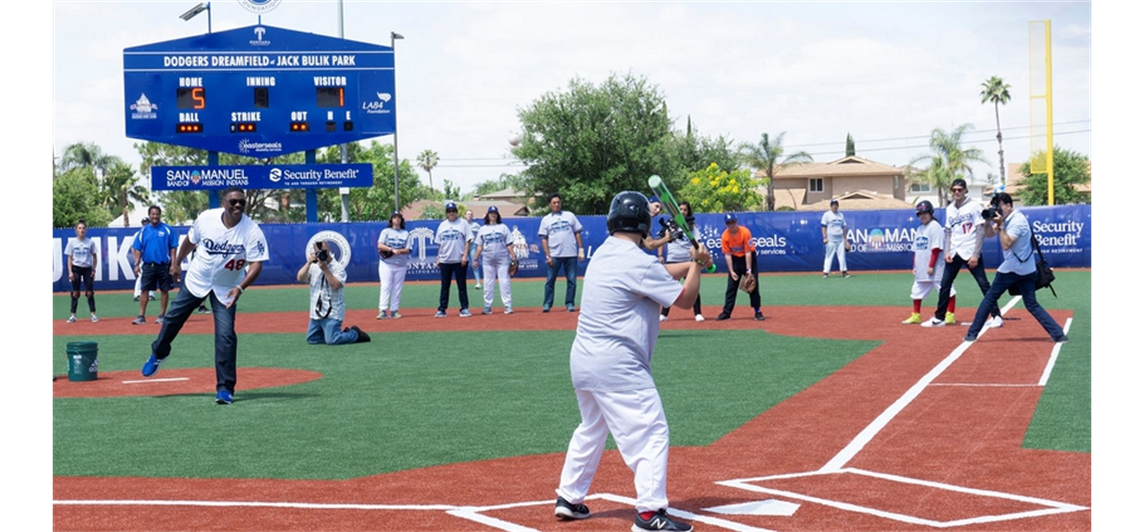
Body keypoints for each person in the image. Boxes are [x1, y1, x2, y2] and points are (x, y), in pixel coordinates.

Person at [553, 191, 709, 532]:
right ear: (643, 223)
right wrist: (697, 264)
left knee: (592, 428)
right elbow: (685, 300)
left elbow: (657, 273)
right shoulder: (638, 261)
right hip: (618, 364)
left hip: (584, 360)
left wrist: (696, 264)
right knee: (652, 431)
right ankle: (650, 513)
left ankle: (569, 497)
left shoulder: (605, 253)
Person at [140, 187, 269, 405]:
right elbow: (190, 241)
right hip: (197, 280)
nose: (237, 206)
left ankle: (225, 389)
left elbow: (257, 264)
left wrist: (241, 288)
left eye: (241, 202)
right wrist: (177, 262)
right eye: (233, 202)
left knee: (226, 336)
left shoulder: (252, 230)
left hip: (226, 288)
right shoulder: (206, 219)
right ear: (223, 202)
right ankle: (158, 353)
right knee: (171, 320)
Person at [964, 193, 1068, 344]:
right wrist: (987, 221)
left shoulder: (1017, 221)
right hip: (1027, 269)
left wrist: (1000, 225)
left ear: (1008, 205)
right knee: (1031, 304)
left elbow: (1006, 244)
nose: (997, 210)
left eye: (999, 207)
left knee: (989, 298)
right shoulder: (1007, 218)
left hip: (1013, 269)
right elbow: (989, 234)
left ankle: (971, 334)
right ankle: (1058, 334)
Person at [922, 178, 1002, 328]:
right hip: (955, 252)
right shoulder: (950, 209)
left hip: (970, 250)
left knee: (983, 283)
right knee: (945, 284)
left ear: (966, 190)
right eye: (954, 190)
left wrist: (976, 254)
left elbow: (980, 231)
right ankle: (940, 317)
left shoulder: (974, 206)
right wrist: (947, 251)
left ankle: (996, 316)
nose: (957, 192)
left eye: (960, 189)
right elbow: (948, 231)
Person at [298, 240, 370, 345]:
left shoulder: (338, 267)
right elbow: (300, 277)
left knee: (332, 340)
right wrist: (308, 262)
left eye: (324, 251)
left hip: (333, 313)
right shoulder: (313, 266)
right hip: (316, 313)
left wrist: (325, 269)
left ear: (329, 250)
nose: (322, 254)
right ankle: (334, 334)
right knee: (312, 339)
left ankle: (355, 334)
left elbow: (336, 286)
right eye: (319, 252)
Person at [902, 201, 957, 324]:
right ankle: (916, 315)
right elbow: (916, 249)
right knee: (916, 292)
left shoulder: (935, 227)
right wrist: (915, 265)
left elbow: (936, 248)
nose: (922, 216)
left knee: (946, 290)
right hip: (922, 267)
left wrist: (931, 265)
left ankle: (950, 314)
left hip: (936, 267)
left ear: (930, 213)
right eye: (920, 214)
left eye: (925, 213)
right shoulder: (920, 228)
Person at [132, 205, 178, 325]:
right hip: (148, 265)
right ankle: (141, 316)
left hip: (163, 265)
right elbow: (138, 249)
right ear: (149, 215)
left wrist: (174, 264)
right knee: (144, 290)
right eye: (153, 214)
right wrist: (136, 264)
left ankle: (162, 315)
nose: (155, 216)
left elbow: (173, 248)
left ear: (160, 215)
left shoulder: (167, 230)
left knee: (164, 290)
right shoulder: (143, 231)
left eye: (157, 214)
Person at [539, 193, 585, 312]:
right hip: (555, 254)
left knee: (572, 280)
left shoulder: (569, 216)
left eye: (558, 202)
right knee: (550, 281)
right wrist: (547, 255)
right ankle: (547, 304)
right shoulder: (546, 219)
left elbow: (577, 233)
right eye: (554, 203)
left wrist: (581, 249)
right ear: (549, 205)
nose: (556, 205)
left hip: (570, 254)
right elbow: (544, 239)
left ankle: (569, 303)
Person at [659, 201, 704, 322]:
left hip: (688, 260)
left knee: (692, 287)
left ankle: (698, 313)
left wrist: (699, 256)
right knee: (669, 287)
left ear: (688, 211)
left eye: (685, 209)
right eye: (680, 209)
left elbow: (697, 242)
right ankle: (664, 313)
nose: (682, 212)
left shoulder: (692, 226)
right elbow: (662, 239)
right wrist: (660, 255)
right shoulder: (670, 224)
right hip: (673, 259)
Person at [715, 213, 764, 321]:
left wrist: (749, 271)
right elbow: (727, 255)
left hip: (749, 258)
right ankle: (726, 312)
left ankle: (757, 311)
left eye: (733, 222)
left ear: (736, 221)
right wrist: (731, 271)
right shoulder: (725, 236)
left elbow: (748, 252)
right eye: (728, 223)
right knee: (731, 288)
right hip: (735, 260)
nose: (731, 224)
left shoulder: (745, 232)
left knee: (752, 285)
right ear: (726, 224)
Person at [473, 206, 516, 314]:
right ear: (487, 215)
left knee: (504, 282)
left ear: (498, 215)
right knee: (488, 282)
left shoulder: (503, 227)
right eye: (491, 213)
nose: (493, 215)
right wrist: (475, 259)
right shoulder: (483, 229)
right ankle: (487, 306)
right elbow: (479, 246)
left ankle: (507, 305)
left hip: (503, 259)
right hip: (488, 259)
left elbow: (509, 244)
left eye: (494, 213)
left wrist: (513, 256)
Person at [435, 201, 473, 318]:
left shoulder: (463, 223)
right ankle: (442, 309)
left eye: (453, 211)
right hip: (445, 260)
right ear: (447, 213)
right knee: (445, 286)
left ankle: (464, 308)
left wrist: (465, 255)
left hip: (459, 259)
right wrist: (438, 257)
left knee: (461, 285)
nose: (451, 213)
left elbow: (468, 240)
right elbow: (440, 243)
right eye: (449, 211)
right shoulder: (442, 225)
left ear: (456, 212)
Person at [376, 211, 413, 320]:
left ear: (401, 220)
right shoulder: (386, 231)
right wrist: (391, 249)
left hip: (401, 264)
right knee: (386, 286)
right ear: (391, 219)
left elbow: (408, 249)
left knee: (397, 288)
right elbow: (380, 245)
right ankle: (382, 310)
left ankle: (394, 310)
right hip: (386, 263)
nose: (397, 219)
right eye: (395, 217)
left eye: (399, 217)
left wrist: (399, 251)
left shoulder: (405, 233)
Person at [65, 218, 99, 323]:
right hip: (76, 268)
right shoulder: (72, 243)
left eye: (83, 228)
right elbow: (69, 258)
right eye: (79, 228)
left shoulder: (90, 242)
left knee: (89, 293)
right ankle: (73, 315)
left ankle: (93, 314)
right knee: (75, 293)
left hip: (87, 269)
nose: (81, 230)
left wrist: (94, 269)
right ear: (76, 230)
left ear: (86, 230)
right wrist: (70, 272)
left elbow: (94, 256)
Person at [821, 198, 850, 278]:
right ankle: (825, 272)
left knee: (842, 256)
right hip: (830, 239)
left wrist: (846, 240)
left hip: (840, 239)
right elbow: (823, 227)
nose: (835, 206)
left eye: (836, 205)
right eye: (833, 205)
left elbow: (843, 227)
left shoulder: (840, 215)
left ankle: (844, 272)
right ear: (831, 206)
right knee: (828, 256)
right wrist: (824, 237)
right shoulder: (827, 215)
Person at [132, 217, 156, 303]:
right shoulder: (138, 233)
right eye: (144, 222)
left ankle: (151, 294)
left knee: (152, 276)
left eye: (146, 222)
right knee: (141, 276)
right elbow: (133, 248)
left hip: (151, 258)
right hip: (142, 259)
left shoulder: (152, 232)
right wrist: (136, 260)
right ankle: (137, 294)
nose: (145, 224)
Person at [465, 210, 482, 289]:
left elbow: (481, 233)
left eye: (471, 214)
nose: (469, 215)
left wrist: (476, 239)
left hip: (472, 246)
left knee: (474, 263)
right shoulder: (462, 224)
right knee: (460, 264)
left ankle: (478, 282)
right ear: (465, 215)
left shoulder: (475, 225)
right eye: (468, 214)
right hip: (463, 246)